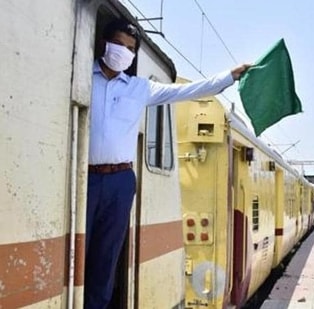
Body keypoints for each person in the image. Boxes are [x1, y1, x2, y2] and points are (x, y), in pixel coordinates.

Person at [85, 19, 250, 309]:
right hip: (83, 177)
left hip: (120, 181)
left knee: (107, 256)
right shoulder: (82, 76)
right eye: (119, 45)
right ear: (104, 44)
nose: (123, 52)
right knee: (77, 251)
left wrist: (229, 77)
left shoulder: (139, 88)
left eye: (130, 48)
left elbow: (186, 91)